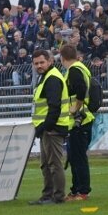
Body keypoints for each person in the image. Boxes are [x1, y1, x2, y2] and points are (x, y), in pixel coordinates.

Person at [29, 49, 72, 205]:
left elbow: (54, 107)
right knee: (46, 164)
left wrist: (45, 127)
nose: (39, 65)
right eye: (36, 63)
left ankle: (58, 196)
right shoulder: (47, 77)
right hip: (48, 127)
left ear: (50, 61)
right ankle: (48, 195)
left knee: (54, 164)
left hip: (52, 128)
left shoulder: (52, 79)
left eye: (41, 62)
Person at [60, 45, 94, 201]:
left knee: (78, 158)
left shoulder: (74, 70)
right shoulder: (81, 68)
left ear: (62, 58)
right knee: (74, 157)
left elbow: (80, 88)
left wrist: (75, 107)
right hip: (80, 120)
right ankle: (75, 190)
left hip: (79, 120)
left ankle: (82, 191)